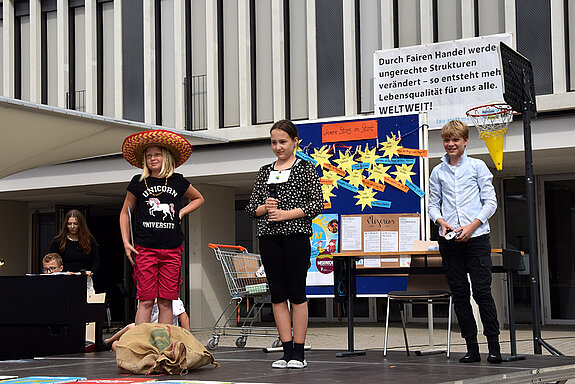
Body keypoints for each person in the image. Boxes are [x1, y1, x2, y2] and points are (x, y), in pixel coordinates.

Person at [245, 119, 323, 369]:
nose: (278, 147)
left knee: (297, 293)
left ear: (295, 142)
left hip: (296, 236)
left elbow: (316, 204)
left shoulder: (306, 168)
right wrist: (263, 209)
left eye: (283, 142)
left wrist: (286, 214)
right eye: (273, 142)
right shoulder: (264, 171)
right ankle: (286, 351)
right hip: (269, 238)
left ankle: (299, 352)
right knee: (277, 294)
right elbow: (250, 208)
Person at [428, 120, 501, 364]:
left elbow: (490, 202)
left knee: (482, 293)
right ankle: (472, 348)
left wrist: (472, 225)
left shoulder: (478, 167)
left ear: (465, 141)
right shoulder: (437, 172)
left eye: (455, 140)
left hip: (477, 238)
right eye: (447, 140)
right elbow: (432, 204)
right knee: (459, 294)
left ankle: (494, 347)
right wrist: (440, 221)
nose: (450, 144)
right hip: (449, 241)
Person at [120, 129, 204, 327]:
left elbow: (199, 198)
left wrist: (181, 212)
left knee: (167, 301)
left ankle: (164, 347)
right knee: (146, 300)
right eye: (148, 156)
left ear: (165, 156)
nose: (152, 158)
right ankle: (141, 346)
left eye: (156, 154)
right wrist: (126, 242)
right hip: (145, 247)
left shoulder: (177, 180)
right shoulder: (138, 182)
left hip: (172, 248)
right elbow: (125, 212)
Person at [103, 298, 190, 351]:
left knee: (131, 327)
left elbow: (184, 317)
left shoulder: (173, 301)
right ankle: (109, 342)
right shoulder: (144, 301)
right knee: (116, 344)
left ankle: (108, 342)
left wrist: (187, 338)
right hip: (148, 333)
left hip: (165, 334)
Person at [50, 209, 99, 277]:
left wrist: (90, 272)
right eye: (69, 224)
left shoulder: (89, 240)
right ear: (66, 225)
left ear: (80, 224)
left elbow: (95, 261)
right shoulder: (58, 241)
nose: (72, 227)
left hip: (84, 278)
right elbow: (51, 261)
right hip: (64, 278)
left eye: (75, 224)